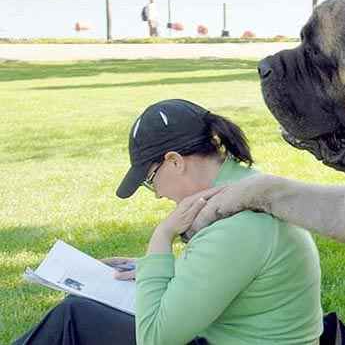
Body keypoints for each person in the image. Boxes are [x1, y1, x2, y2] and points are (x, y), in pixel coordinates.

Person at [13, 99, 323, 345]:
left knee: (74, 317)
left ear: (174, 161)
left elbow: (156, 338)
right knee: (84, 309)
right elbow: (224, 272)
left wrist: (161, 237)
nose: (158, 195)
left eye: (150, 180)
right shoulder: (245, 189)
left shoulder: (236, 225)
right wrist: (155, 269)